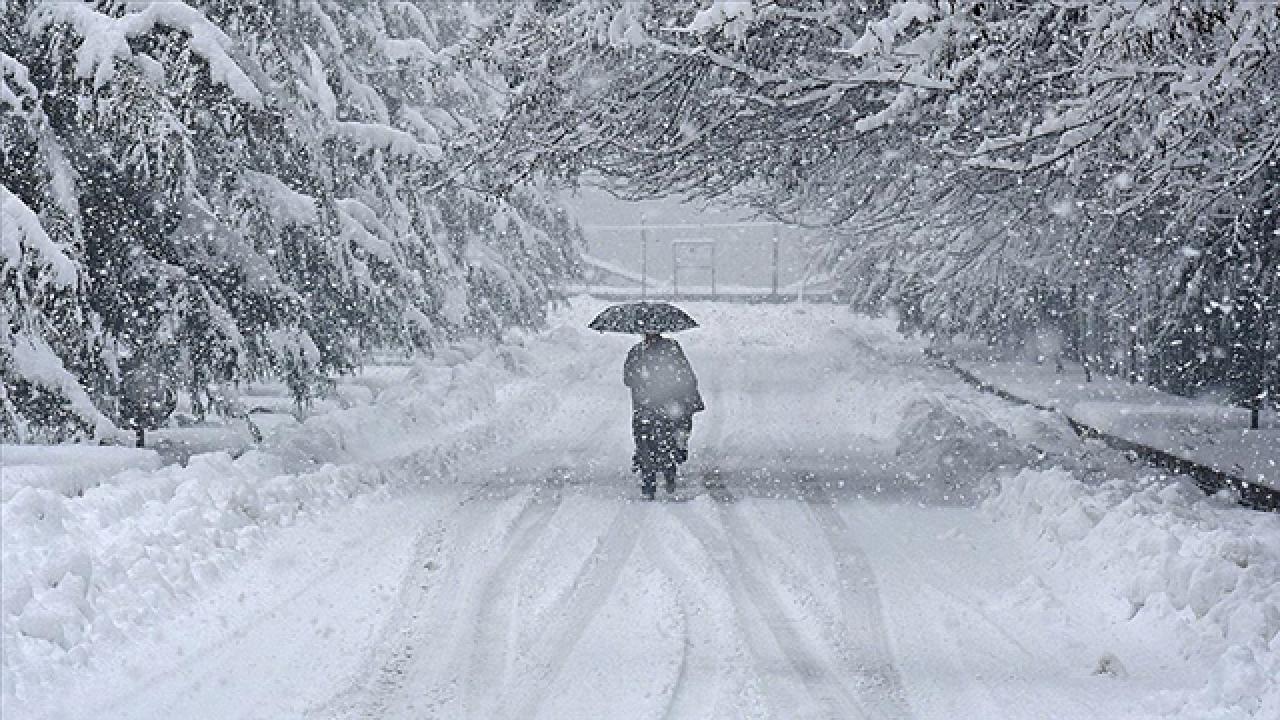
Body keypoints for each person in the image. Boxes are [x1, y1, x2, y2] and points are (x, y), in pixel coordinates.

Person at [623, 332, 703, 499]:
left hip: (647, 406)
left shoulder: (637, 352)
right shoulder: (672, 349)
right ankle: (667, 473)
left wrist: (643, 380)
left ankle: (649, 481)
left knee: (646, 442)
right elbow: (685, 375)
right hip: (666, 405)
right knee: (666, 439)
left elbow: (628, 379)